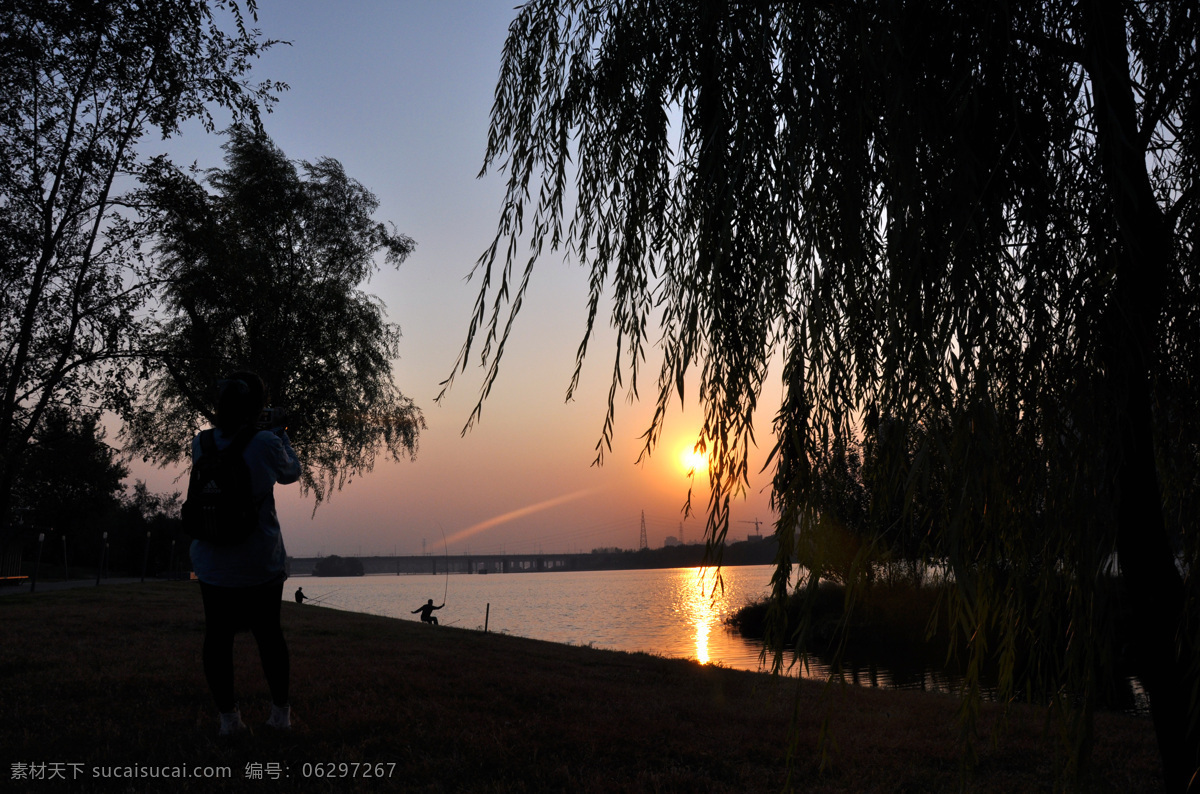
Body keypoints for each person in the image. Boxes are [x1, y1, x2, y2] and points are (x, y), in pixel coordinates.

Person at [190, 371, 301, 736]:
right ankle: (280, 716)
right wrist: (282, 434)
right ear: (254, 408)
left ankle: (229, 721)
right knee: (268, 635)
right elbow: (291, 473)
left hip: (211, 561)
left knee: (217, 638)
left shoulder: (200, 443)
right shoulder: (266, 442)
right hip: (259, 561)